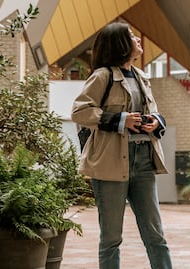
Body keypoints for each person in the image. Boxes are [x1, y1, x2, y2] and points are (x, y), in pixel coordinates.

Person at [71, 21, 173, 269]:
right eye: (131, 36)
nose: (137, 39)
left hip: (144, 159)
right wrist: (120, 119)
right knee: (111, 238)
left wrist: (155, 122)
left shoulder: (141, 77)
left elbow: (157, 113)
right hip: (110, 163)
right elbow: (80, 112)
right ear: (120, 44)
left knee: (155, 235)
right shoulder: (103, 76)